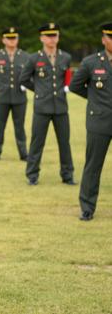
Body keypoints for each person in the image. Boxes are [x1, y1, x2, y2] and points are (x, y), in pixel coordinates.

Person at [20, 22, 75, 186]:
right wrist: (38, 90)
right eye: (49, 36)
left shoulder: (65, 57)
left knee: (64, 142)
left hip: (60, 106)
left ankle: (67, 175)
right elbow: (23, 79)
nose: (52, 39)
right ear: (42, 38)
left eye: (55, 35)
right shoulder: (34, 58)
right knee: (37, 142)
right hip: (42, 107)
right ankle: (32, 174)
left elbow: (67, 76)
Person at [69, 22, 112, 220]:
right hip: (99, 122)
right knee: (93, 166)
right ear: (104, 39)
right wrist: (94, 99)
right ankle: (87, 207)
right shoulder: (91, 62)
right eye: (110, 37)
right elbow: (75, 86)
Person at [0, 27, 30, 161]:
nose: (12, 41)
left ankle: (23, 153)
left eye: (14, 38)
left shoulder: (25, 56)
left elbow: (31, 74)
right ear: (3, 40)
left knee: (19, 126)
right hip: (2, 96)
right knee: (0, 125)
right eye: (9, 38)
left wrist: (27, 84)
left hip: (19, 96)